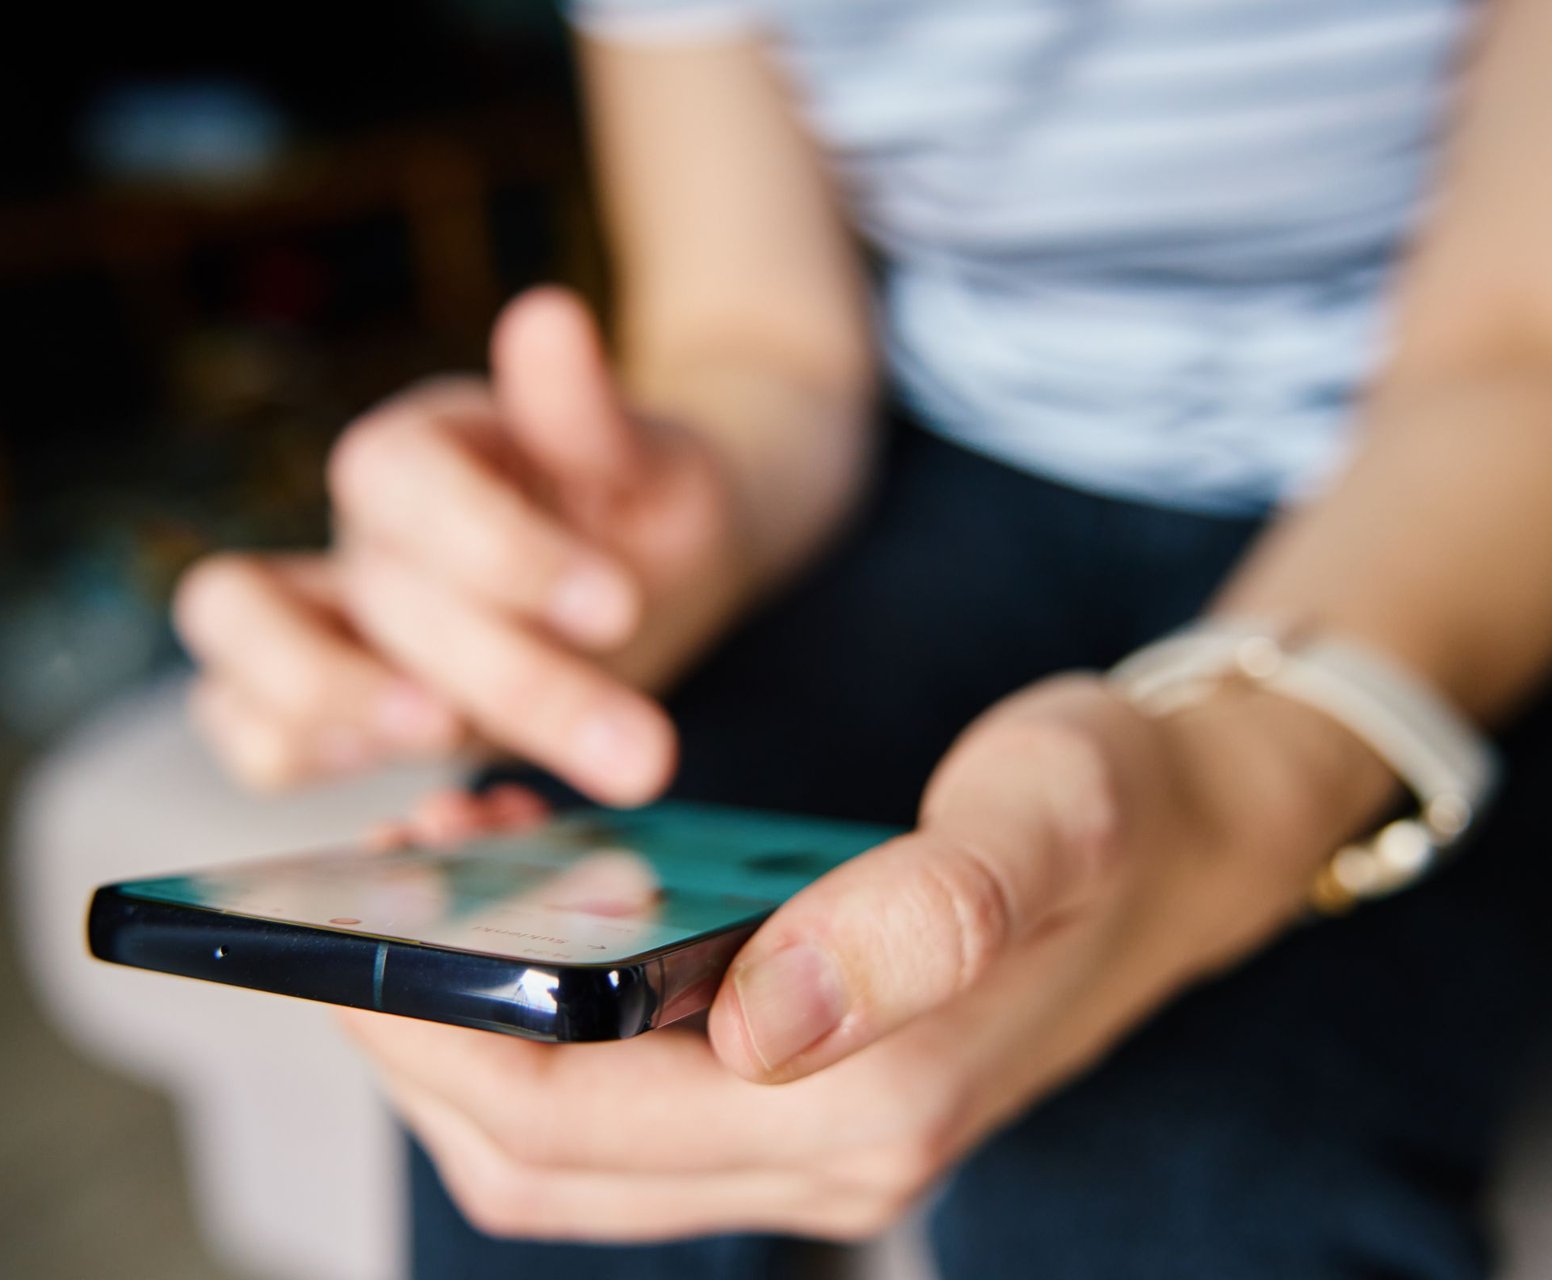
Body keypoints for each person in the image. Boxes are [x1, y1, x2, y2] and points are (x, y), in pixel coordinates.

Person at [171, 0, 1552, 1275]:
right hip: (951, 455)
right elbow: (757, 331)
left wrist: (1236, 784)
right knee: (543, 1015)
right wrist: (626, 545)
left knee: (1187, 1186)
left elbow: (1514, 352)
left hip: (1469, 494)